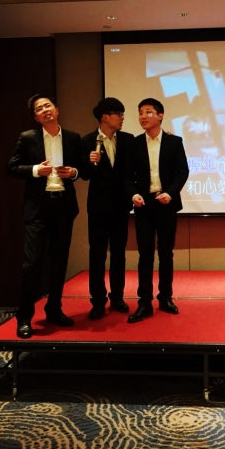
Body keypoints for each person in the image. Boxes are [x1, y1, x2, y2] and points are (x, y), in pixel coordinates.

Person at [7, 94, 82, 339]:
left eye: (48, 105)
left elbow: (81, 168)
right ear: (36, 117)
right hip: (37, 209)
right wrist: (36, 170)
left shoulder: (72, 138)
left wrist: (73, 172)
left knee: (59, 262)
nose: (45, 110)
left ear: (57, 110)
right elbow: (12, 167)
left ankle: (54, 310)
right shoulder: (28, 138)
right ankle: (24, 317)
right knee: (32, 264)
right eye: (40, 109)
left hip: (63, 207)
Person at [125, 98, 189, 323]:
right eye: (140, 112)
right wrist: (133, 194)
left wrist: (170, 193)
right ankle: (144, 302)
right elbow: (127, 176)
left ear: (160, 115)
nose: (143, 116)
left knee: (166, 254)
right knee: (145, 255)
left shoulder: (174, 141)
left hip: (166, 204)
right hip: (144, 205)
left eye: (148, 112)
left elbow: (182, 172)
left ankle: (165, 297)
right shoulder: (134, 144)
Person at [80, 97, 134, 320]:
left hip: (121, 207)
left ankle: (117, 297)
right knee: (97, 254)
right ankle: (98, 301)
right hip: (98, 208)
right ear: (105, 117)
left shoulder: (128, 140)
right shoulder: (87, 141)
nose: (122, 118)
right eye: (118, 114)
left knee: (119, 253)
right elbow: (83, 175)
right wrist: (90, 162)